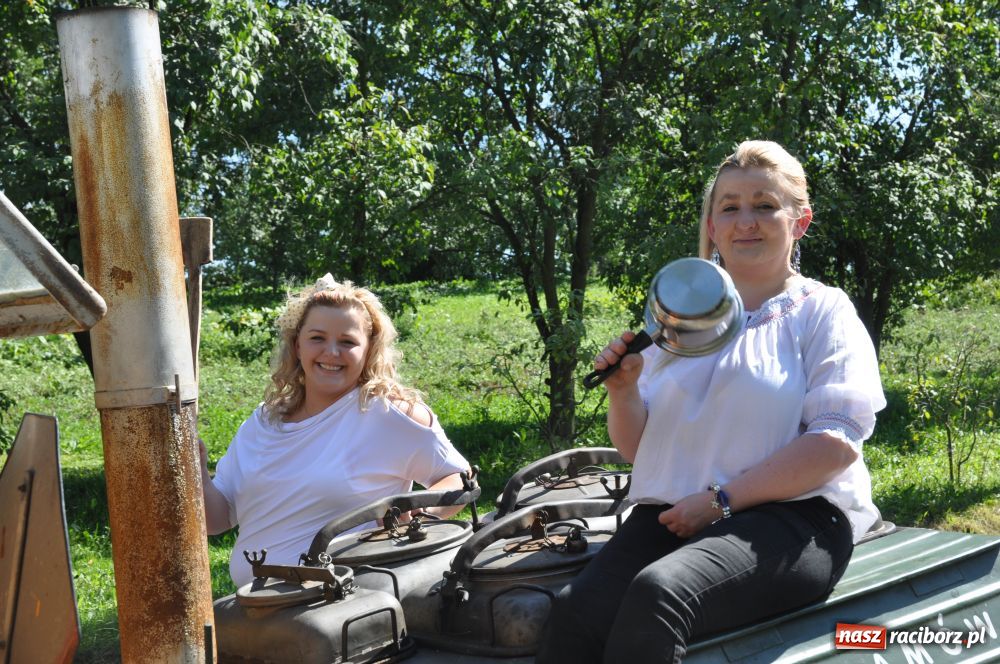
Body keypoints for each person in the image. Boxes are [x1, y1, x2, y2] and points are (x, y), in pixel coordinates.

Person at [536, 140, 886, 663]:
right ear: (712, 227)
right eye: (730, 208)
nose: (746, 221)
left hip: (794, 520)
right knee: (573, 614)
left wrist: (722, 501)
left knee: (660, 595)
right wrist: (623, 390)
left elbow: (835, 443)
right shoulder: (679, 319)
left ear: (800, 221)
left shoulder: (822, 311)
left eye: (764, 205)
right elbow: (636, 448)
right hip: (674, 516)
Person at [200, 274, 470, 588]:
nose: (331, 352)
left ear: (369, 350)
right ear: (297, 345)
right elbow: (217, 519)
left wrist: (420, 514)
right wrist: (196, 470)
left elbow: (459, 478)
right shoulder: (263, 421)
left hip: (344, 603)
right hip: (254, 604)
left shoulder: (388, 413)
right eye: (317, 338)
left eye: (347, 342)